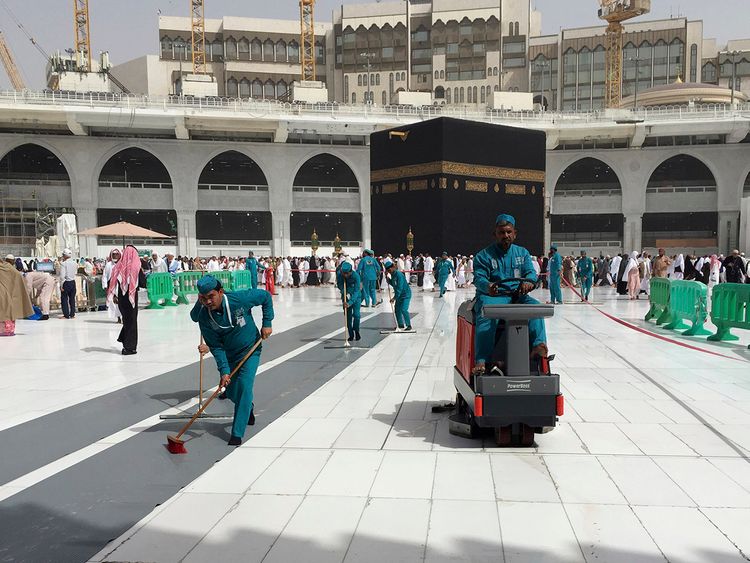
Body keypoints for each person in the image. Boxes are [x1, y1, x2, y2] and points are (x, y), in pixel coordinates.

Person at [192, 274, 274, 446]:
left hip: (251, 349)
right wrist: (224, 370)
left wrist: (267, 322)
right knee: (233, 391)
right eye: (203, 298)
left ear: (220, 292)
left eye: (211, 296)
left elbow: (265, 296)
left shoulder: (239, 299)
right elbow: (216, 346)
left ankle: (237, 433)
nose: (208, 302)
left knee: (244, 386)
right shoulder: (204, 318)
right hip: (229, 354)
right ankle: (247, 407)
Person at [472, 214, 548, 374]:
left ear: (515, 233)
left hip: (517, 295)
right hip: (493, 296)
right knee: (487, 314)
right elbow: (479, 278)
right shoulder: (483, 256)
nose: (505, 236)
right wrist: (488, 286)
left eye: (508, 232)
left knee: (536, 308)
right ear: (495, 234)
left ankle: (538, 346)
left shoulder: (522, 253)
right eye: (501, 232)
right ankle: (482, 360)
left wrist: (529, 282)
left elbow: (530, 273)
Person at [107, 245, 147, 355]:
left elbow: (109, 282)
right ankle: (130, 348)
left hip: (122, 298)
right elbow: (143, 283)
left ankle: (124, 341)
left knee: (127, 321)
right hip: (131, 298)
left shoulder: (118, 266)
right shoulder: (136, 267)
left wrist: (115, 294)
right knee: (132, 322)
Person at [1, 255, 33, 336]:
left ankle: (4, 330)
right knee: (8, 310)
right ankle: (8, 330)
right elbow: (18, 276)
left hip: (2, 292)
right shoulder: (9, 267)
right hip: (7, 293)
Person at [384, 259, 412, 331]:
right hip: (398, 295)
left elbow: (399, 287)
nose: (389, 271)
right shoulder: (392, 275)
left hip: (405, 295)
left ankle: (408, 325)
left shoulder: (399, 275)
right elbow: (394, 285)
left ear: (393, 267)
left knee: (403, 309)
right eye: (388, 270)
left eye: (390, 269)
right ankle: (400, 325)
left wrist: (394, 298)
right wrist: (388, 279)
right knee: (397, 310)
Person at [337, 261, 362, 341]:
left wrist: (350, 302)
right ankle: (350, 334)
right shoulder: (340, 274)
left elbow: (356, 291)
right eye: (344, 273)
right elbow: (339, 284)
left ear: (351, 271)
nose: (345, 275)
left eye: (347, 273)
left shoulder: (356, 276)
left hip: (356, 297)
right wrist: (343, 291)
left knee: (357, 315)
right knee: (348, 317)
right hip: (345, 297)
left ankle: (356, 331)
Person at [101, 248, 122, 323]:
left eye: (117, 254)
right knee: (114, 303)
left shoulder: (122, 264)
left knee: (122, 302)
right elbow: (104, 276)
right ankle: (118, 318)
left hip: (120, 286)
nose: (115, 256)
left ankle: (123, 317)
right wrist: (105, 286)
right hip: (111, 287)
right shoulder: (108, 264)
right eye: (113, 254)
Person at [58, 248, 78, 319]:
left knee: (64, 299)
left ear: (65, 255)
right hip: (73, 282)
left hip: (66, 282)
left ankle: (66, 315)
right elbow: (75, 273)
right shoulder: (75, 263)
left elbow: (62, 276)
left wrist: (61, 285)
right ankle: (72, 314)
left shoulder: (64, 264)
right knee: (72, 299)